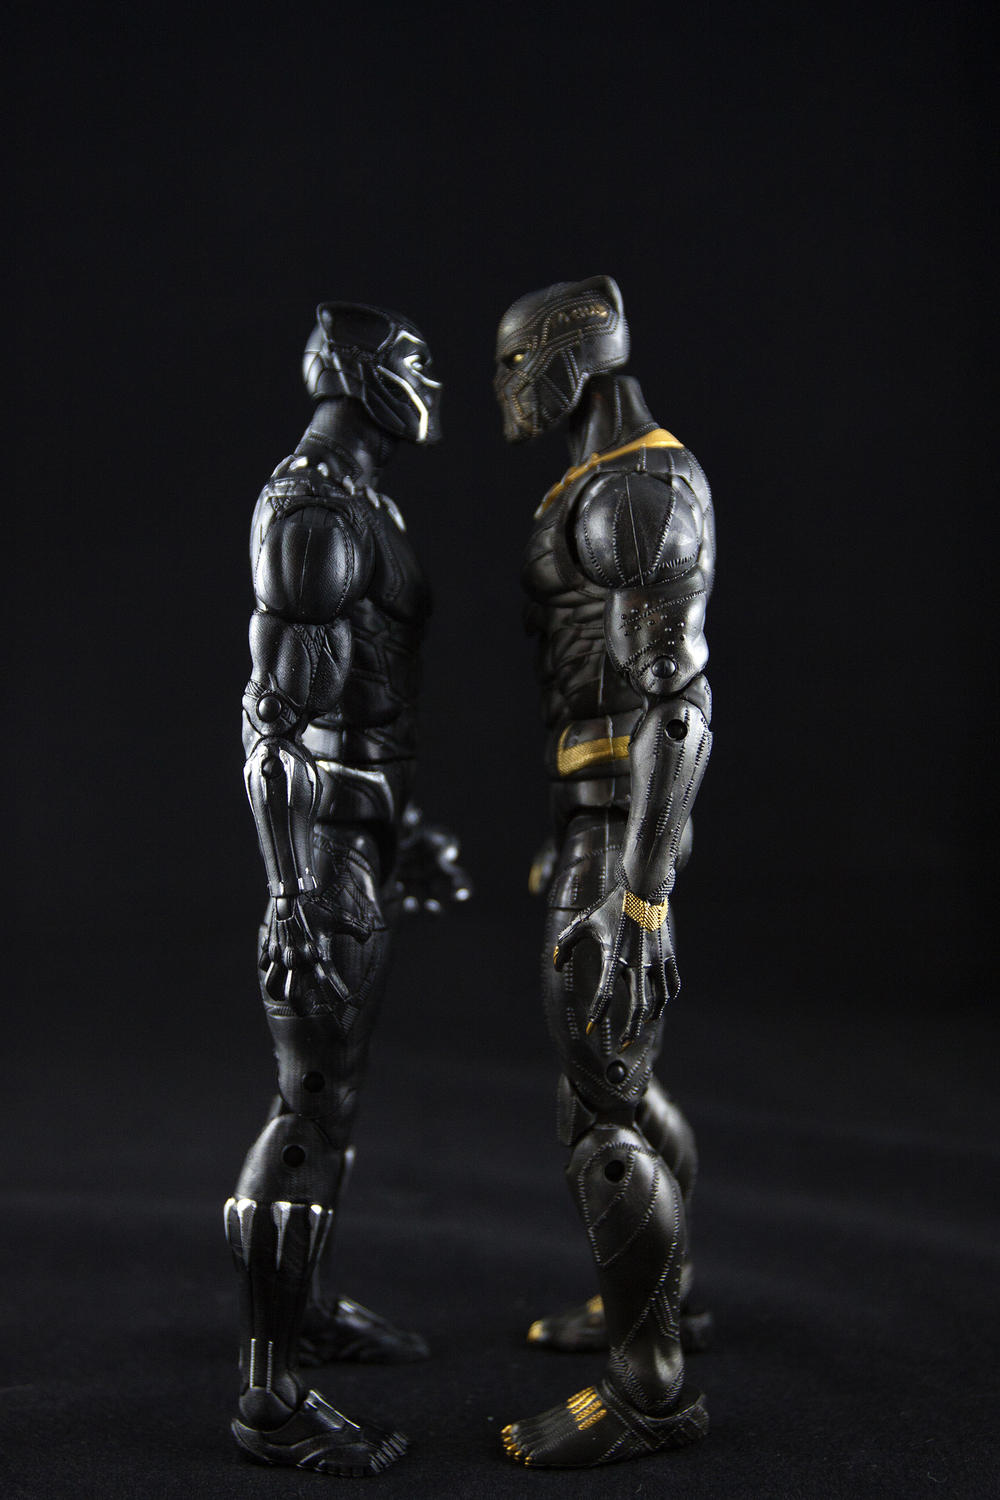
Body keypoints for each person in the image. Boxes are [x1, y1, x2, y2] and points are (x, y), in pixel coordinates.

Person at [226, 303, 467, 1476]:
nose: (433, 384)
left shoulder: (364, 499)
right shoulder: (314, 508)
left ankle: (308, 1312)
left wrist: (397, 823)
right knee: (308, 1102)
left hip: (354, 836)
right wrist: (289, 892)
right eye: (416, 365)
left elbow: (362, 702)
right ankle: (269, 1397)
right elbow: (275, 725)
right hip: (319, 855)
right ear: (366, 374)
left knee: (337, 1095)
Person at [493, 276, 715, 1468]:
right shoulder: (594, 481)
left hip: (623, 826)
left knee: (600, 1100)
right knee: (615, 1076)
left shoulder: (635, 488)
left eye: (515, 362)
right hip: (594, 813)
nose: (506, 389)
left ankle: (649, 1387)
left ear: (573, 352)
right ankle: (662, 1295)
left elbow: (674, 707)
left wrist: (639, 890)